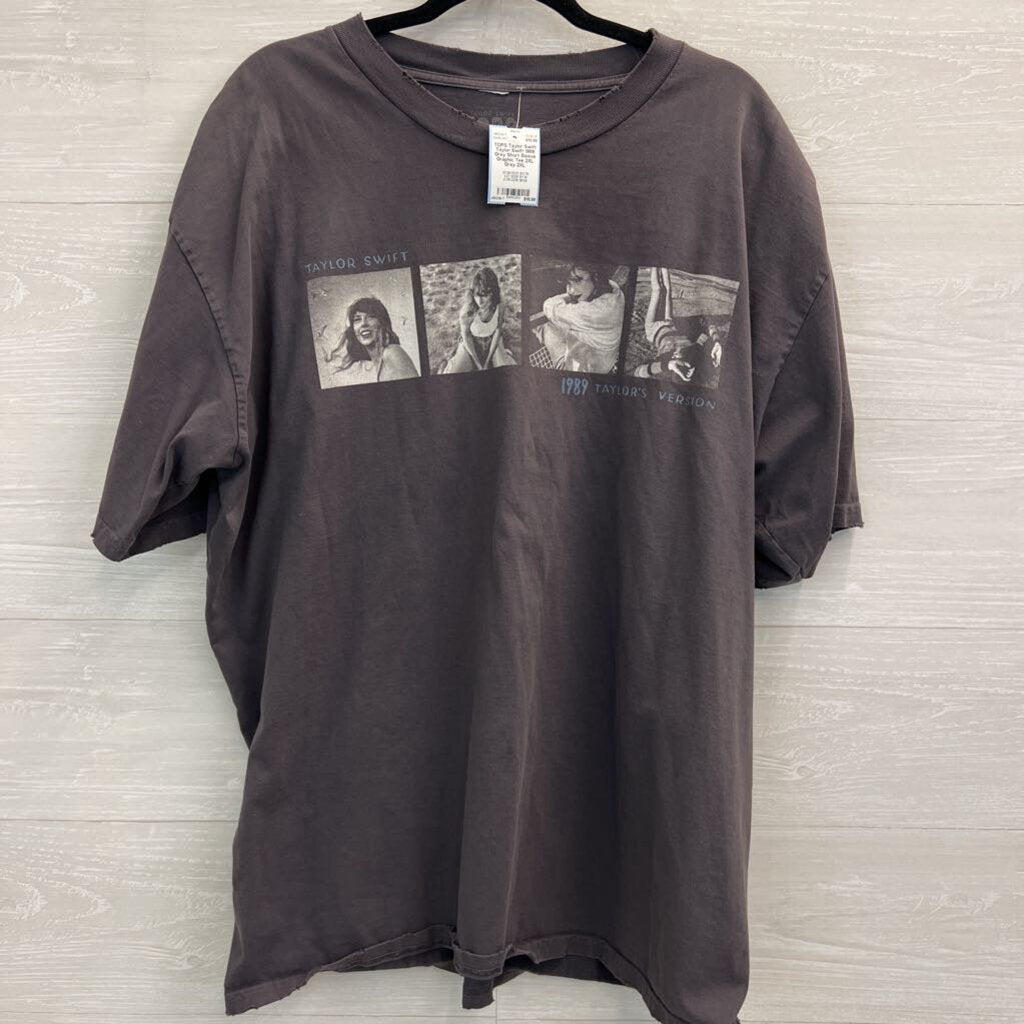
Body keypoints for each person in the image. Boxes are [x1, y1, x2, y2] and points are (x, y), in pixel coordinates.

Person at [631, 266, 725, 385]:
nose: (676, 356)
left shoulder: (666, 362)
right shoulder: (695, 348)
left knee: (658, 290)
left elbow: (638, 372)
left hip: (653, 329)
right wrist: (717, 341)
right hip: (669, 322)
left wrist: (668, 365)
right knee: (668, 289)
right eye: (691, 368)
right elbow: (710, 326)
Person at [532, 263, 624, 373]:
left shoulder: (593, 312)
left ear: (597, 278)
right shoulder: (614, 290)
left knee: (545, 325)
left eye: (577, 281)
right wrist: (576, 295)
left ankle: (538, 334)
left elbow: (549, 306)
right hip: (603, 358)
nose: (571, 290)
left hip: (579, 371)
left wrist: (568, 297)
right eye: (568, 283)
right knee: (561, 321)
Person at [323, 296, 419, 385]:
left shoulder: (392, 352)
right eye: (357, 319)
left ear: (382, 323)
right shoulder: (380, 361)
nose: (363, 324)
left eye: (371, 317)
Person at [441, 267, 516, 373]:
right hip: (471, 344)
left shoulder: (500, 303)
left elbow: (498, 330)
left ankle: (505, 353)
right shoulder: (466, 312)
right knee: (453, 373)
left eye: (484, 295)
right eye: (476, 295)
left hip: (493, 341)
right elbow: (466, 337)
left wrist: (487, 362)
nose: (479, 301)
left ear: (492, 293)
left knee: (508, 371)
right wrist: (479, 365)